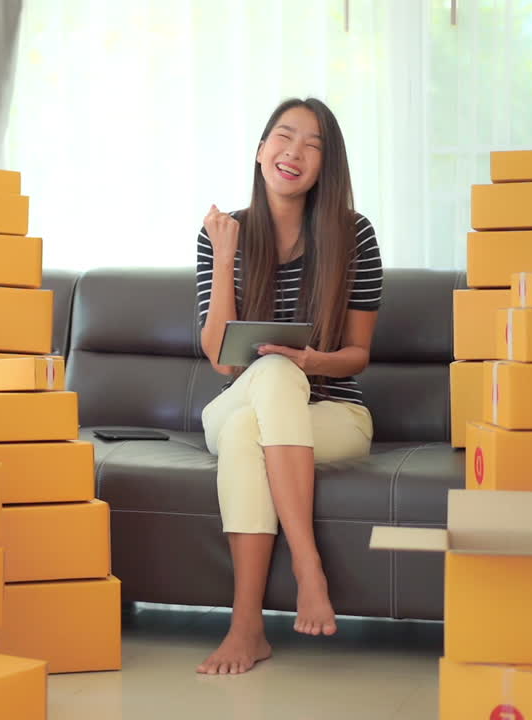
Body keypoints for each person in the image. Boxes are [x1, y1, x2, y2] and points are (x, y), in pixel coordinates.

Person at [194, 97, 383, 675]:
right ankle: (308, 567)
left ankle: (247, 628)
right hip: (236, 401)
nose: (294, 151)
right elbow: (220, 361)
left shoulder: (354, 235)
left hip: (334, 414)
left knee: (257, 414)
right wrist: (225, 255)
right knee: (268, 378)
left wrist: (310, 361)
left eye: (312, 144)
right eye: (284, 135)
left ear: (327, 166)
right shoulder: (222, 233)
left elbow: (357, 356)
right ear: (260, 151)